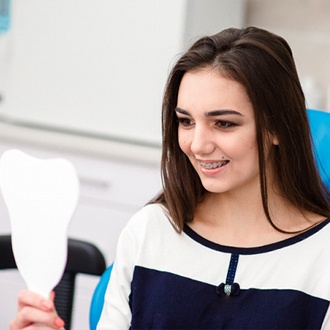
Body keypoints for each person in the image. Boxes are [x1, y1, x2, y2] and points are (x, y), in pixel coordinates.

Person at [10, 26, 330, 330]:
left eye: (224, 124)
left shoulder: (322, 258)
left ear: (276, 126)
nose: (197, 145)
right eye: (186, 121)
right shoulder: (151, 230)